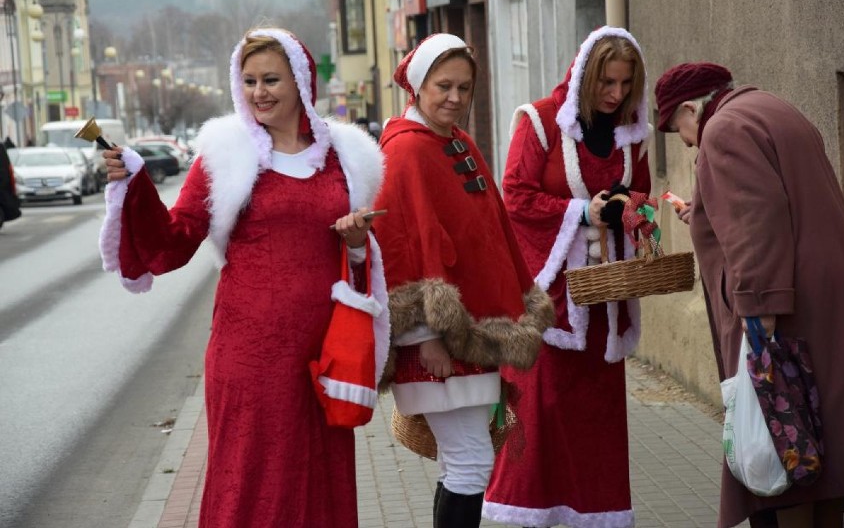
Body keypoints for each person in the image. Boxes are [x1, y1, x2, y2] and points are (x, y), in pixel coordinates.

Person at [98, 28, 389, 527]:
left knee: (320, 474)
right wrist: (134, 183)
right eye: (249, 80)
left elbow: (363, 258)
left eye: (271, 79)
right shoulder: (225, 155)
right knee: (252, 478)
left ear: (300, 81)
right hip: (250, 355)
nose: (260, 92)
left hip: (327, 350)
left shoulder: (348, 157)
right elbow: (175, 238)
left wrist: (357, 242)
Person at [655, 62, 844, 528]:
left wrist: (759, 309)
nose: (683, 140)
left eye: (676, 127)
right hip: (820, 295)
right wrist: (703, 211)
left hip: (784, 308)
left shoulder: (721, 129)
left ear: (690, 108)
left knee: (782, 443)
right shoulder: (770, 107)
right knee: (820, 444)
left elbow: (755, 223)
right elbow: (768, 201)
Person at [371, 33, 553, 528]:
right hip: (438, 341)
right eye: (443, 86)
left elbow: (489, 231)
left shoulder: (455, 140)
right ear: (418, 85)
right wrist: (425, 335)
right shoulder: (406, 151)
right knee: (471, 463)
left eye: (464, 87)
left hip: (470, 335)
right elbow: (404, 249)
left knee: (461, 462)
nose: (455, 97)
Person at [482, 26, 651, 528]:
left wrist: (635, 210)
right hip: (548, 304)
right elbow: (514, 195)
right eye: (607, 82)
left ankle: (593, 516)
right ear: (584, 75)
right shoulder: (538, 122)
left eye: (625, 84)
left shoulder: (630, 134)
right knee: (540, 418)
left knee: (595, 427)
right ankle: (527, 516)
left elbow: (637, 193)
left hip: (604, 304)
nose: (615, 94)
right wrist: (580, 213)